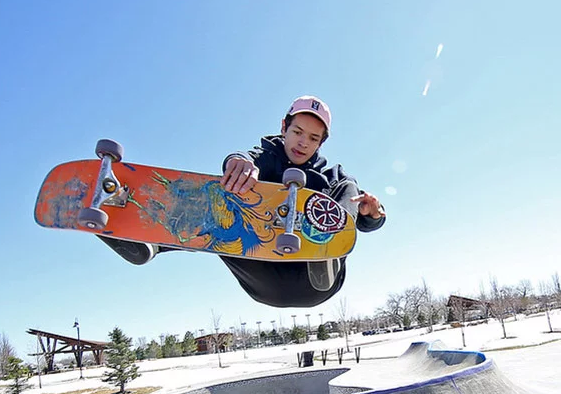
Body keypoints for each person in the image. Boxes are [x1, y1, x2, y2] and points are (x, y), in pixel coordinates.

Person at [99, 95, 386, 307]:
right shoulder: (265, 158)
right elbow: (246, 159)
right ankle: (148, 241)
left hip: (315, 282)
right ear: (284, 127)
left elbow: (368, 221)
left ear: (320, 143)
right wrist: (237, 161)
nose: (302, 143)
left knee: (349, 185)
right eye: (297, 132)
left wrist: (372, 214)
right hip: (266, 278)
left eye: (312, 138)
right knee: (227, 199)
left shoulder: (329, 175)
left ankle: (324, 247)